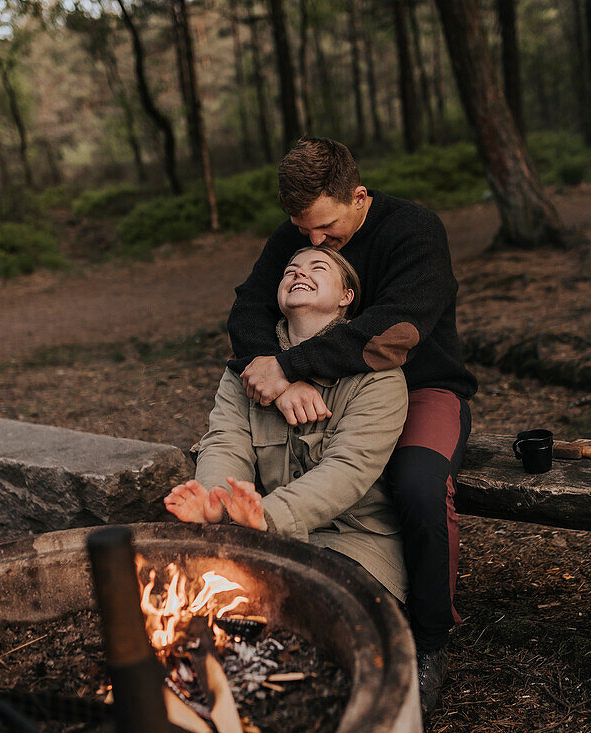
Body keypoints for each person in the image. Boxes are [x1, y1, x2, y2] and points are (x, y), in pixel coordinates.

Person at [225, 137, 477, 714]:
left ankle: (433, 638)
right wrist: (277, 375)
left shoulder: (413, 229)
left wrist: (290, 366)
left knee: (415, 485)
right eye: (301, 230)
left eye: (326, 229)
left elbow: (398, 330)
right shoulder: (298, 235)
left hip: (420, 385)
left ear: (359, 196)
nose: (312, 242)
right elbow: (249, 308)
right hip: (325, 386)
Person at [165, 245, 410, 605]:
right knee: (196, 603)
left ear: (347, 296)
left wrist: (268, 515)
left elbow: (349, 470)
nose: (298, 273)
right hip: (264, 538)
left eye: (318, 268)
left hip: (357, 544)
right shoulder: (245, 373)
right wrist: (215, 502)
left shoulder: (377, 378)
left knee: (299, 605)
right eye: (290, 269)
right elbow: (225, 443)